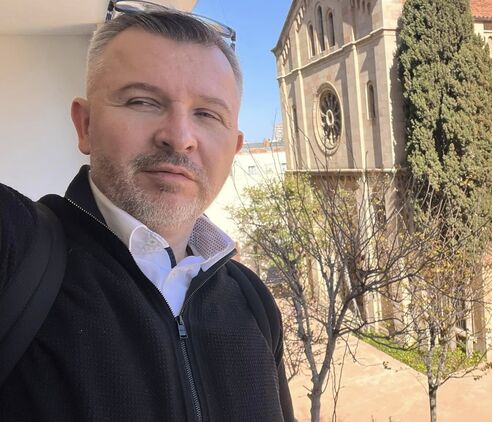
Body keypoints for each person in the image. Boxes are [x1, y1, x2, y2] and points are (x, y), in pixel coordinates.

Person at [0, 5, 294, 422]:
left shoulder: (254, 301)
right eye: (142, 101)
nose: (179, 137)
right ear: (85, 126)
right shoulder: (20, 252)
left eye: (207, 114)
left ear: (234, 148)